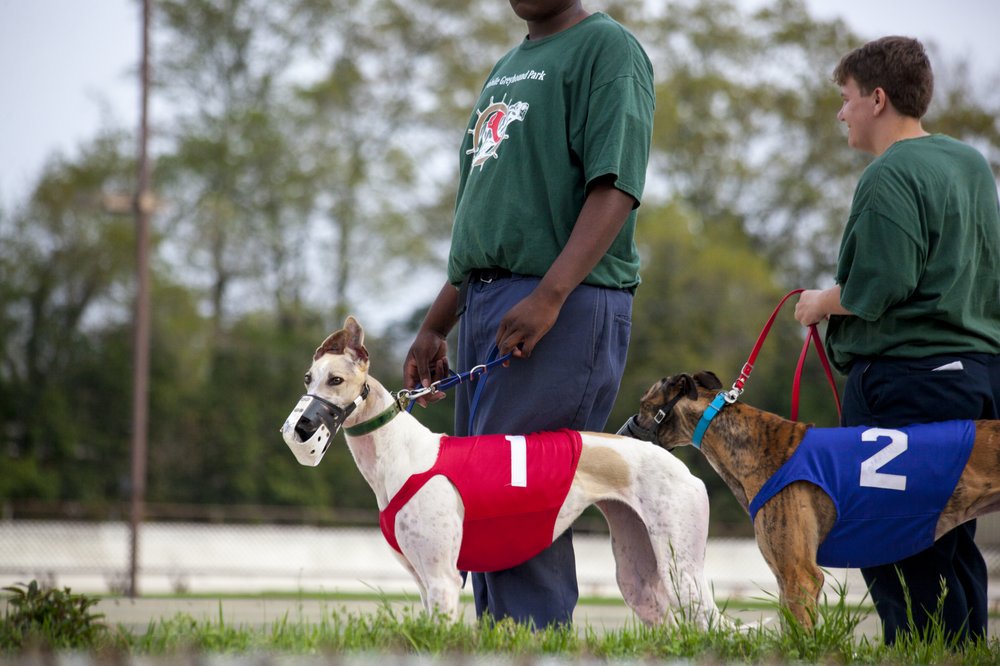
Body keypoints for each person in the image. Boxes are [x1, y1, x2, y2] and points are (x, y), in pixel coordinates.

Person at [402, 1, 654, 628]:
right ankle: (499, 644)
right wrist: (437, 324)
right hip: (488, 303)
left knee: (521, 493)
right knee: (480, 498)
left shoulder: (608, 50)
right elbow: (490, 220)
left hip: (564, 303)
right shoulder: (508, 65)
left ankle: (534, 645)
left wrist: (550, 295)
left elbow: (616, 186)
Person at [795, 36, 1000, 644]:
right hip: (979, 379)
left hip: (907, 384)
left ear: (877, 99)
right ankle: (964, 653)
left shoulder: (888, 174)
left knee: (897, 542)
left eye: (846, 98)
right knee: (953, 537)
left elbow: (880, 285)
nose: (842, 113)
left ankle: (918, 655)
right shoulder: (969, 163)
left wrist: (819, 302)